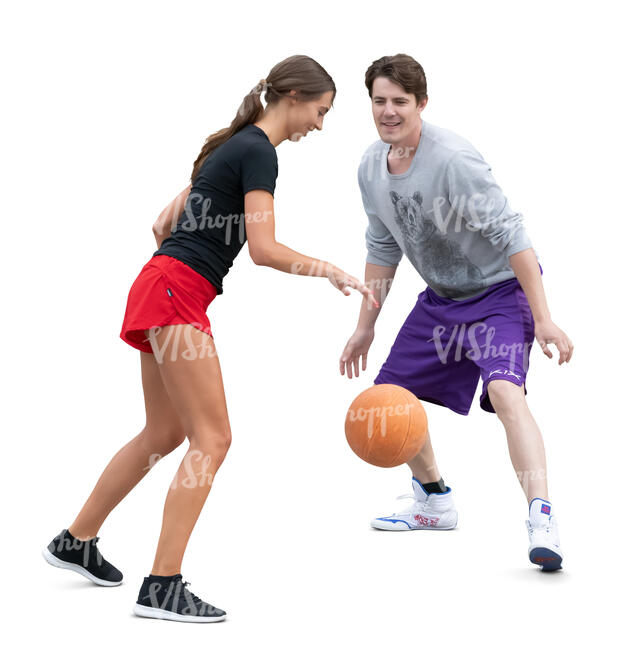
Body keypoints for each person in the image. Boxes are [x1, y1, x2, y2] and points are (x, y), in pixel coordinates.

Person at [43, 54, 378, 623]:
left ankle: (77, 539)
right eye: (320, 112)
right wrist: (331, 270)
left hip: (160, 287)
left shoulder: (226, 146)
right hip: (175, 293)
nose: (319, 126)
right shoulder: (258, 153)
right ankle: (163, 585)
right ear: (293, 96)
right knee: (213, 439)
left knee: (165, 430)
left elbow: (160, 225)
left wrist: (178, 274)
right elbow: (265, 250)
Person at [339, 54, 573, 572]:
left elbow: (514, 236)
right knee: (388, 401)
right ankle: (434, 500)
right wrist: (364, 327)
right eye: (379, 101)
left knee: (504, 391)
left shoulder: (453, 160)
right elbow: (382, 246)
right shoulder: (370, 167)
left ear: (421, 103)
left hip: (498, 295)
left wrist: (547, 318)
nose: (389, 111)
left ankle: (542, 516)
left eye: (400, 101)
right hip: (443, 302)